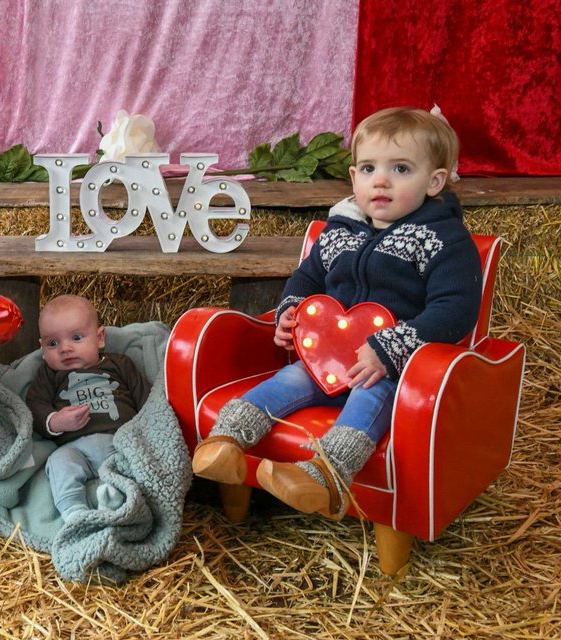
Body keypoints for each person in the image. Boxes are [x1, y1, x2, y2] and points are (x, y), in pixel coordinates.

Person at [192, 107, 483, 519]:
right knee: (288, 378)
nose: (380, 180)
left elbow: (455, 309)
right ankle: (225, 442)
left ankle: (325, 475)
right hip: (325, 356)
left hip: (392, 368)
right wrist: (291, 313)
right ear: (353, 178)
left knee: (368, 399)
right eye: (368, 168)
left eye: (400, 168)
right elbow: (307, 278)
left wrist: (390, 349)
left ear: (434, 181)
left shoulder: (442, 239)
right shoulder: (341, 230)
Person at [26, 295, 151, 521]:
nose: (65, 349)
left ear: (100, 338)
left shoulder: (119, 364)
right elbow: (35, 406)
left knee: (139, 462)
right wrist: (55, 421)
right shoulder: (49, 374)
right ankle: (74, 511)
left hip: (119, 442)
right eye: (53, 343)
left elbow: (147, 398)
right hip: (75, 449)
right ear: (43, 348)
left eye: (76, 337)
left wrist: (145, 433)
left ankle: (117, 497)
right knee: (58, 462)